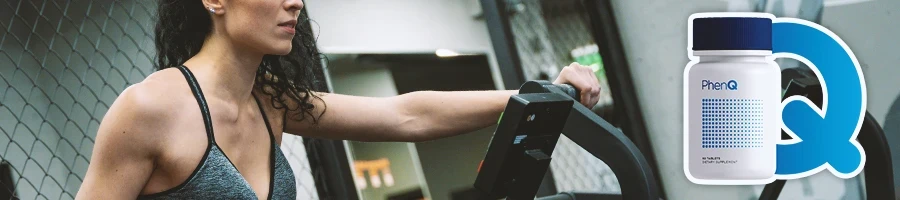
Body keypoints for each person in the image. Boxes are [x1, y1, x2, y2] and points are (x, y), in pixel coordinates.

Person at [75, 0, 601, 199]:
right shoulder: (149, 110)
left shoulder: (272, 102)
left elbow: (407, 115)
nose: (295, 1)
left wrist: (536, 94)